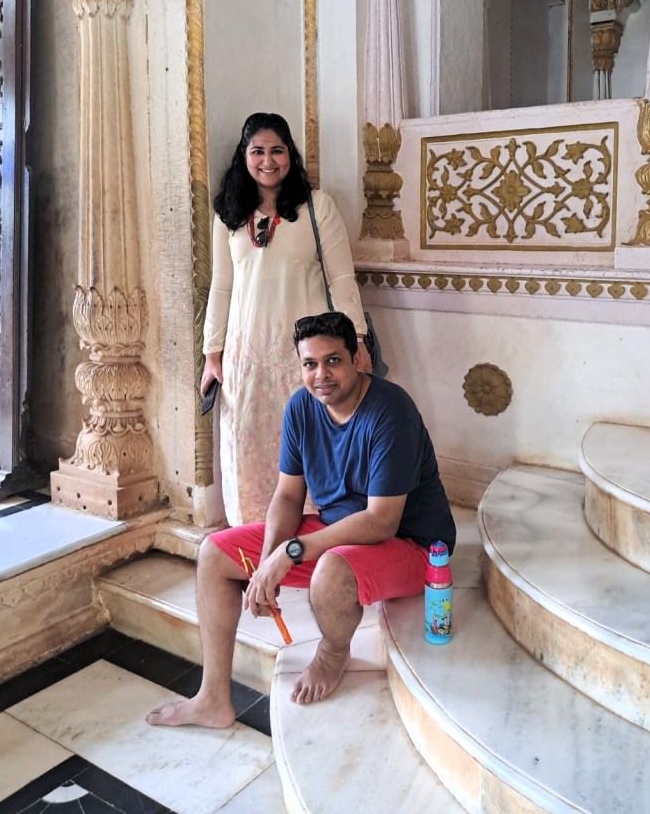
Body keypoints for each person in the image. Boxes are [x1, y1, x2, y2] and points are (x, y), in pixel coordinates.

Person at [147, 312, 455, 724]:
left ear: (357, 359)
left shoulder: (390, 411)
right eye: (309, 364)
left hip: (412, 545)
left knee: (330, 570)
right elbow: (289, 495)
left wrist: (293, 552)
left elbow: (381, 521)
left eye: (333, 361)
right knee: (214, 553)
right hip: (338, 532)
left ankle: (332, 652)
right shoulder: (301, 408)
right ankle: (212, 698)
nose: (321, 375)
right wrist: (268, 559)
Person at [202, 113, 370, 525]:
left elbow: (342, 278)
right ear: (244, 156)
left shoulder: (318, 206)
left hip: (306, 359)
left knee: (311, 442)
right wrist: (212, 352)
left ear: (289, 155)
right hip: (247, 360)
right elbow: (220, 286)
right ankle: (252, 532)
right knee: (249, 446)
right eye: (257, 151)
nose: (268, 161)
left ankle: (315, 534)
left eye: (277, 150)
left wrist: (358, 341)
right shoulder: (228, 214)